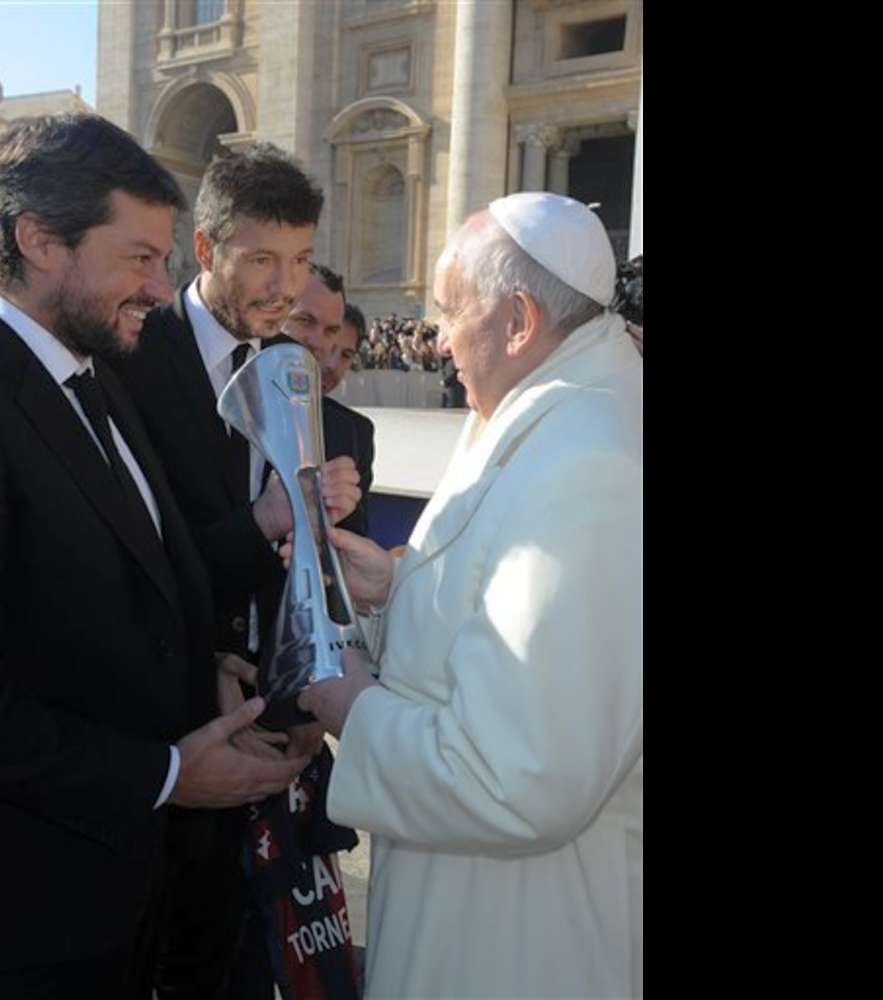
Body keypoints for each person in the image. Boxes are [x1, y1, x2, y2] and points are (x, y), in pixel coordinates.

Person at [0, 113, 308, 1000]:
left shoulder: (93, 377)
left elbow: (107, 589)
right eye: (139, 258)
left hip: (124, 905)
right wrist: (167, 775)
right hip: (24, 921)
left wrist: (205, 664)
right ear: (39, 241)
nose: (162, 289)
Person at [295, 192, 643, 998]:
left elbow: (517, 776)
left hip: (518, 938)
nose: (439, 336)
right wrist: (399, 587)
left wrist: (352, 707)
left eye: (452, 311)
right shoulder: (541, 414)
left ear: (518, 320)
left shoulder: (588, 464)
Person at [114, 143, 363, 1000]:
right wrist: (262, 524)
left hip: (284, 737)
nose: (286, 286)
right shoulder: (131, 363)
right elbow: (132, 564)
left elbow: (311, 576)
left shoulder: (294, 369)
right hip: (178, 746)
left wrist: (302, 703)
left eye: (299, 260)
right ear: (210, 250)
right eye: (262, 259)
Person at [277, 264, 374, 537]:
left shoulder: (351, 433)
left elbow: (354, 538)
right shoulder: (236, 406)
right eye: (305, 321)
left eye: (330, 332)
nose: (321, 347)